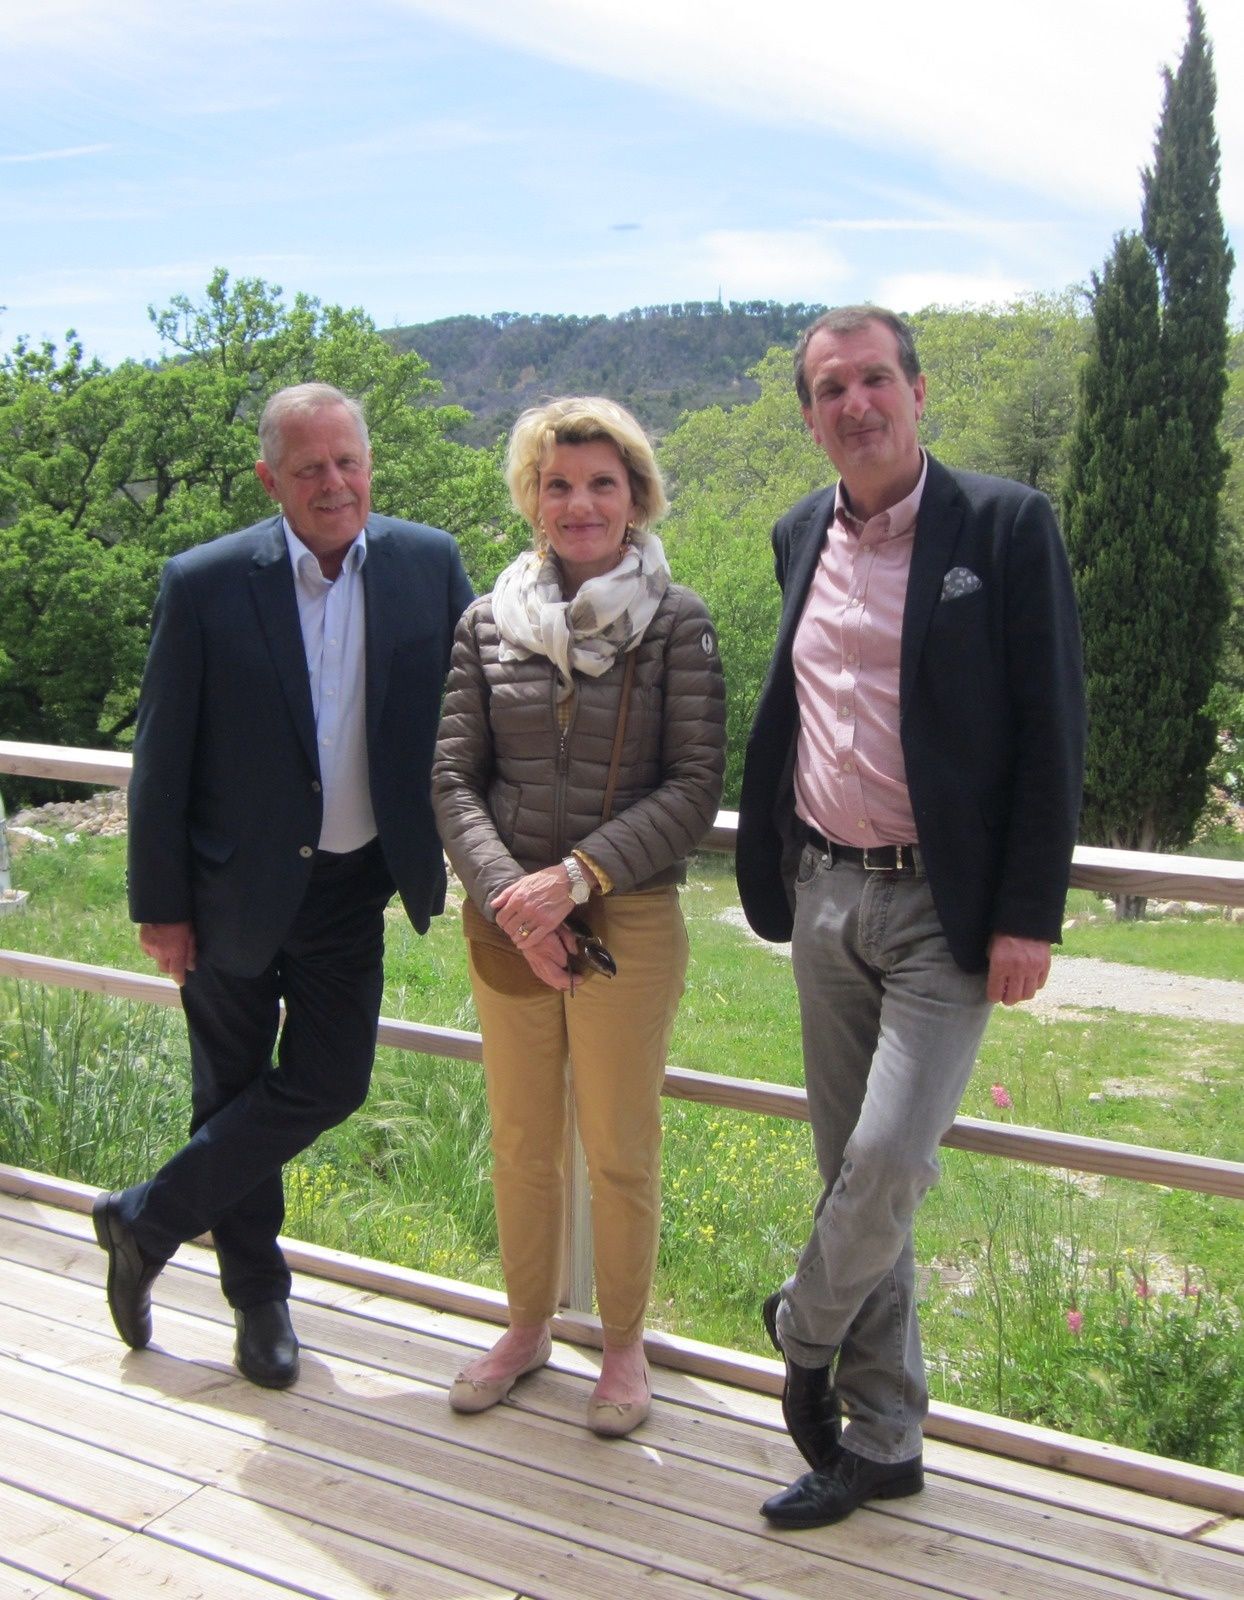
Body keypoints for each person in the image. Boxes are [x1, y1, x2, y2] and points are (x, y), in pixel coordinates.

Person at [736, 307, 1084, 1526]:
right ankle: (881, 1441)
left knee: (887, 1160)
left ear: (918, 392)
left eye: (874, 379)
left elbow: (1051, 727)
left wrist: (1026, 913)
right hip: (826, 890)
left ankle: (801, 1324)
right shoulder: (796, 535)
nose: (855, 405)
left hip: (946, 906)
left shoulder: (1001, 524)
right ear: (808, 415)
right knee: (850, 1175)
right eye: (829, 389)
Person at [93, 382, 473, 1387]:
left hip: (355, 886)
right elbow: (161, 761)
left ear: (368, 462)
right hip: (229, 896)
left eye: (347, 462)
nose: (334, 484)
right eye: (309, 469)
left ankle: (144, 1217)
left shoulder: (428, 566)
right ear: (271, 478)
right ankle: (257, 1302)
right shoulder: (207, 582)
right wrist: (160, 907)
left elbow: (477, 702)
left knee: (328, 1080)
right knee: (227, 1091)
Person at [433, 396, 725, 1436]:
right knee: (518, 1136)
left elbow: (693, 788)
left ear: (635, 494)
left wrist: (575, 877)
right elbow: (453, 777)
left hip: (625, 919)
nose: (579, 502)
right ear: (532, 496)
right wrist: (513, 897)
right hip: (507, 918)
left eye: (601, 482)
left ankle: (623, 1344)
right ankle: (523, 1328)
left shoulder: (677, 620)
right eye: (557, 483)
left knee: (617, 1141)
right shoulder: (485, 619)